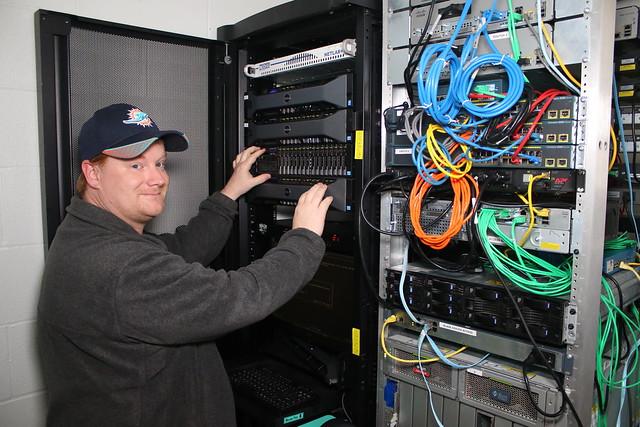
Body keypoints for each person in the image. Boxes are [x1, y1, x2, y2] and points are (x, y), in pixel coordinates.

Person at [38, 103, 333, 426]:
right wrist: (303, 238)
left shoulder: (88, 234)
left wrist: (230, 193)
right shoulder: (118, 265)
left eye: (160, 163)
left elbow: (181, 249)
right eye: (136, 165)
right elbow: (240, 297)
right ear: (93, 173)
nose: (157, 178)